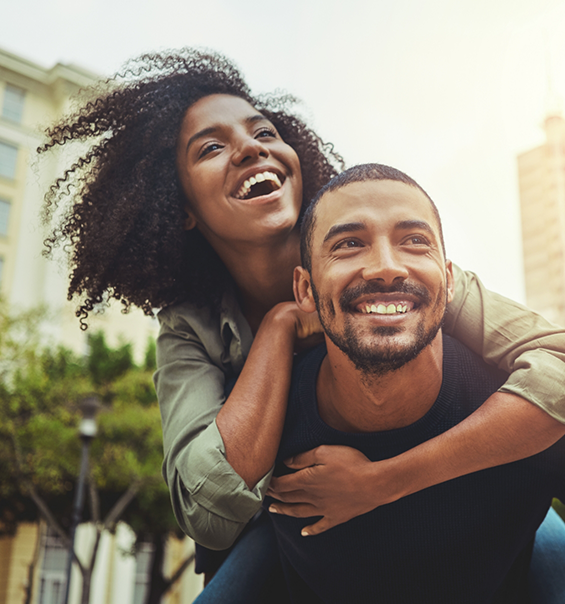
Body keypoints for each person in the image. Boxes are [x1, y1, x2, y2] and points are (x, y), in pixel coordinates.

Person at [37, 49, 565, 600]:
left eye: (262, 131)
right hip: (283, 515)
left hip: (467, 489)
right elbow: (207, 506)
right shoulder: (189, 328)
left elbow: (557, 368)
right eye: (212, 148)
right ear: (180, 206)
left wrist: (384, 481)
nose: (249, 148)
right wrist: (280, 327)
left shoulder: (388, 267)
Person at [266, 163, 565, 603]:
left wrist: (379, 483)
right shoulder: (270, 421)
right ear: (305, 289)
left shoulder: (533, 417)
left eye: (414, 241)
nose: (386, 268)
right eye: (349, 244)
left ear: (448, 280)